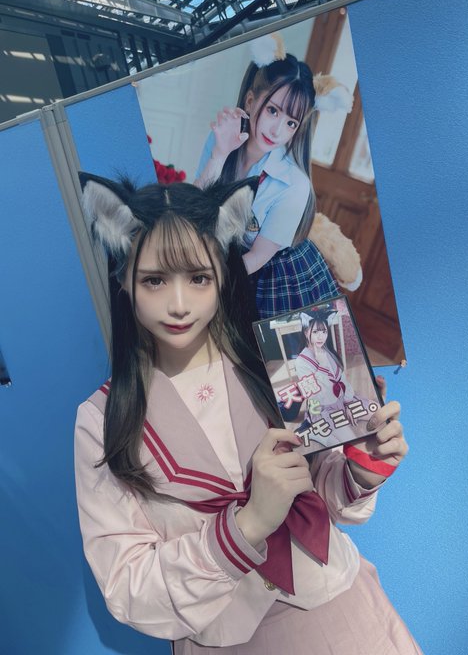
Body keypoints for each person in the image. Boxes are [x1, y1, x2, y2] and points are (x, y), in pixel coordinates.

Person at [74, 173, 422, 654]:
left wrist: (361, 468)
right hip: (222, 639)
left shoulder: (282, 357)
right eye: (155, 280)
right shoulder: (101, 419)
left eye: (198, 278)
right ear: (125, 281)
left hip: (339, 610)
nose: (179, 304)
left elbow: (322, 492)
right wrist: (247, 526)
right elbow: (126, 585)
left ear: (221, 274)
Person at [194, 33, 352, 319]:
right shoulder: (221, 138)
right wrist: (219, 153)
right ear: (250, 101)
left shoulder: (295, 185)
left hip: (278, 274)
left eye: (291, 122)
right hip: (230, 258)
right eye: (272, 111)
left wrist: (207, 277)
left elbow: (258, 257)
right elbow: (195, 208)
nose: (278, 130)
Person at [294, 310, 377, 450]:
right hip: (323, 410)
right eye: (316, 332)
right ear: (306, 332)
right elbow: (315, 396)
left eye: (324, 331)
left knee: (378, 412)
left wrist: (348, 404)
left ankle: (325, 430)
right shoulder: (301, 362)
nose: (321, 336)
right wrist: (322, 365)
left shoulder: (327, 351)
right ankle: (315, 431)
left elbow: (342, 380)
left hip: (341, 402)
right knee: (350, 444)